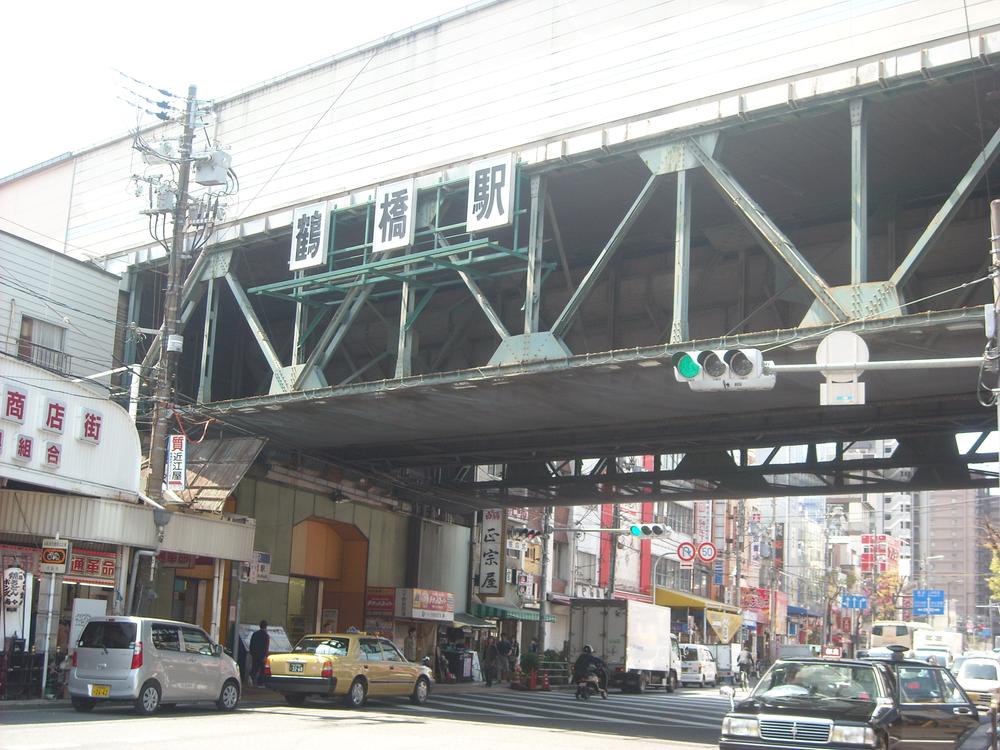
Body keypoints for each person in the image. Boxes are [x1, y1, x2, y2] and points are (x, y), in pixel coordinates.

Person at [249, 620, 270, 687]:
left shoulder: (255, 634)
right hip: (262, 655)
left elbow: (251, 645)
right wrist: (265, 655)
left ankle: (251, 677)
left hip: (255, 654)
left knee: (254, 668)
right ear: (266, 627)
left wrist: (252, 653)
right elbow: (266, 647)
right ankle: (260, 683)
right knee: (262, 670)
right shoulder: (266, 636)